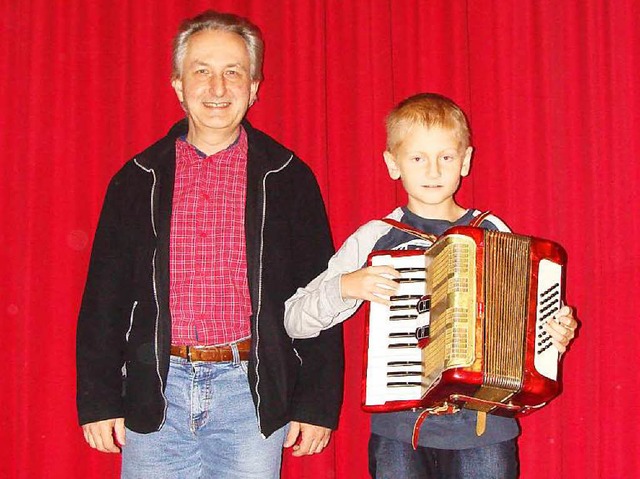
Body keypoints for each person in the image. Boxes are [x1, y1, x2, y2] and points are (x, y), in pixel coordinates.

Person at [76, 10, 344, 478]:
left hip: (250, 394)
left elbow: (320, 292)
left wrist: (317, 403)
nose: (217, 89)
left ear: (254, 87)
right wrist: (97, 399)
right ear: (178, 84)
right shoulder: (138, 179)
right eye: (201, 71)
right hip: (155, 393)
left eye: (233, 72)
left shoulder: (289, 179)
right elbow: (104, 298)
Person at [284, 92, 578, 478]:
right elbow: (294, 320)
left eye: (446, 157)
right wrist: (346, 286)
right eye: (418, 158)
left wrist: (554, 334)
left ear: (466, 161)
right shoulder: (377, 236)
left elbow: (525, 326)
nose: (434, 171)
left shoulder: (492, 232)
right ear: (393, 164)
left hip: (484, 428)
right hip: (399, 430)